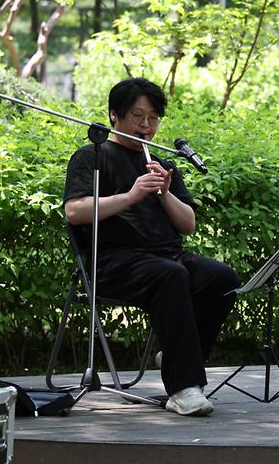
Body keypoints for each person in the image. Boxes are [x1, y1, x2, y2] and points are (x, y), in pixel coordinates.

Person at [63, 77, 239, 416]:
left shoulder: (162, 164)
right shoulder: (92, 156)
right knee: (170, 275)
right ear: (114, 115)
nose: (146, 126)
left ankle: (176, 357)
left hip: (167, 255)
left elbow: (187, 224)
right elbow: (75, 210)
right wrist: (131, 195)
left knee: (222, 279)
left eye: (153, 118)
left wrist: (164, 192)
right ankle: (184, 388)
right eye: (137, 116)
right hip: (114, 261)